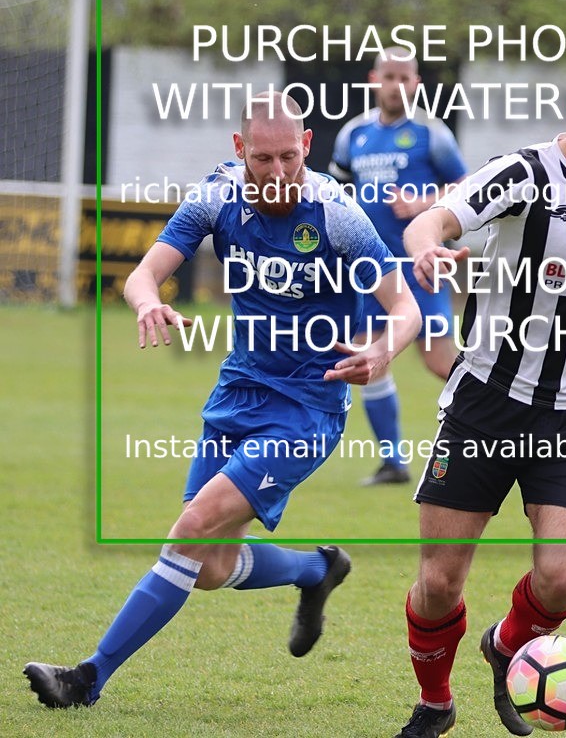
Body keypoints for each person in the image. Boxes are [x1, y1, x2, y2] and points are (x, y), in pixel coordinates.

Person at [24, 93, 420, 710]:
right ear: (240, 151)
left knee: (190, 531)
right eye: (264, 158)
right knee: (209, 566)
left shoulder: (337, 214)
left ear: (307, 146)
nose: (279, 171)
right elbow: (140, 273)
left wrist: (383, 351)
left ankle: (86, 678)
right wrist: (147, 302)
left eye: (290, 156)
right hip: (237, 393)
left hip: (307, 410)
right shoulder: (216, 197)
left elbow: (406, 308)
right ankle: (316, 570)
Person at [393, 50, 566, 737]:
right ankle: (435, 703)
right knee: (438, 585)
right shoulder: (523, 174)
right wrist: (426, 245)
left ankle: (505, 645)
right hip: (486, 403)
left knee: (561, 583)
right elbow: (432, 219)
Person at [329, 48, 467, 486]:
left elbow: (465, 186)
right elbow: (337, 191)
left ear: (416, 83)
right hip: (371, 270)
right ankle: (393, 462)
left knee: (439, 360)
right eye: (388, 77)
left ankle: (498, 434)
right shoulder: (354, 134)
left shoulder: (432, 133)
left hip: (420, 264)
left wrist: (423, 204)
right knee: (368, 355)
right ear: (374, 80)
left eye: (403, 78)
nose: (395, 86)